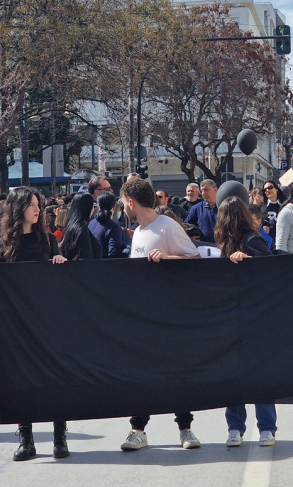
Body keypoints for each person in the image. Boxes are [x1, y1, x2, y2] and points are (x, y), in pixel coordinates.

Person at [0, 187, 69, 461]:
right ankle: (26, 439)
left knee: (55, 379)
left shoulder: (47, 240)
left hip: (47, 322)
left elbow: (59, 282)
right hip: (18, 326)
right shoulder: (3, 243)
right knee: (21, 381)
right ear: (19, 208)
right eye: (31, 204)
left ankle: (59, 436)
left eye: (38, 204)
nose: (37, 209)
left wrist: (59, 262)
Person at [118, 178, 201, 452]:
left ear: (131, 202)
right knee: (142, 375)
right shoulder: (138, 231)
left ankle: (185, 429)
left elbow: (195, 259)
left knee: (177, 373)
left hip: (171, 317)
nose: (122, 207)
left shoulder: (167, 226)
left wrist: (168, 259)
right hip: (144, 318)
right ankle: (137, 430)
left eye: (123, 202)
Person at [212, 197, 278, 447]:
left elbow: (272, 270)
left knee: (259, 372)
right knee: (232, 373)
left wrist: (249, 261)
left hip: (255, 316)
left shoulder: (252, 240)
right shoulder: (224, 244)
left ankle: (267, 427)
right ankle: (235, 427)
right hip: (232, 314)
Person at [60, 193, 102, 261]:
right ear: (89, 208)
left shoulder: (69, 226)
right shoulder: (82, 228)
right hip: (86, 269)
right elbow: (86, 257)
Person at [89, 192, 128, 259]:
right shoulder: (113, 227)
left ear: (98, 207)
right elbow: (114, 254)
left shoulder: (91, 223)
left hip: (90, 265)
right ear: (114, 207)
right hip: (106, 267)